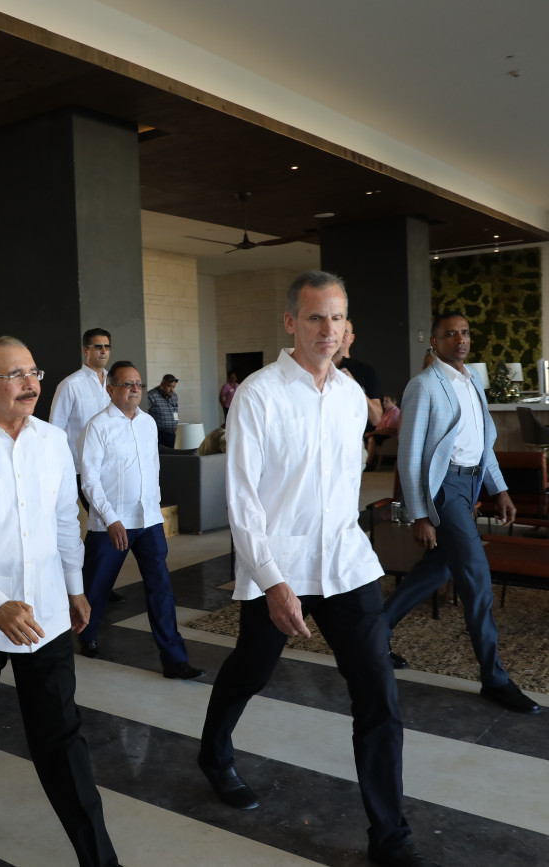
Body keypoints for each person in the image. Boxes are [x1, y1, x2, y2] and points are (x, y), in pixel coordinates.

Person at [198, 271, 436, 867]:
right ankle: (214, 751)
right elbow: (242, 499)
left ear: (346, 324)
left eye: (336, 318)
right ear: (290, 323)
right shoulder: (259, 394)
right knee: (250, 671)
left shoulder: (352, 396)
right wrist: (274, 582)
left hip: (347, 565)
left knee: (378, 695)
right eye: (314, 317)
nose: (327, 329)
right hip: (280, 567)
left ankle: (390, 837)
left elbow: (345, 484)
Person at [0, 336, 119, 866]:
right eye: (16, 375)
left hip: (46, 615)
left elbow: (63, 522)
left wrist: (75, 588)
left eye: (34, 372)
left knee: (62, 737)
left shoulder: (52, 441)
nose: (31, 384)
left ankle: (98, 857)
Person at [386, 311, 534, 717]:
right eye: (450, 334)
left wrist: (499, 489)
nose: (460, 339)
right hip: (444, 488)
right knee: (477, 580)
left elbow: (484, 445)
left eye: (465, 332)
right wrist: (419, 514)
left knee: (438, 568)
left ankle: (375, 633)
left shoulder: (472, 382)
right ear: (434, 342)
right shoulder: (423, 385)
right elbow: (409, 455)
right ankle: (494, 679)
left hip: (470, 485)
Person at [77, 360, 203, 680]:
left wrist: (155, 509)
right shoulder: (97, 427)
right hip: (111, 525)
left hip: (148, 521)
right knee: (96, 587)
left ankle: (174, 660)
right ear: (111, 390)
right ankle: (86, 634)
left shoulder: (148, 423)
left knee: (161, 590)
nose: (135, 389)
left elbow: (152, 469)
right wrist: (111, 519)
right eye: (127, 384)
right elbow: (89, 481)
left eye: (138, 384)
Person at [48, 327, 113, 476]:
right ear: (86, 351)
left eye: (107, 346)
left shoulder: (114, 383)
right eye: (98, 347)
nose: (104, 351)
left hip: (110, 467)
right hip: (79, 469)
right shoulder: (70, 385)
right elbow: (55, 429)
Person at [336, 319, 384, 427]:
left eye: (345, 331)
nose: (340, 334)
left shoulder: (367, 372)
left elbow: (376, 418)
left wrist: (355, 387)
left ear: (352, 338)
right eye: (337, 330)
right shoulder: (316, 370)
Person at [364, 394, 402, 470]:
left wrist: (371, 433)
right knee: (365, 438)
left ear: (394, 402)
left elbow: (389, 430)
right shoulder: (386, 412)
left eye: (387, 401)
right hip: (381, 434)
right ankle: (366, 461)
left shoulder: (395, 412)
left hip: (390, 436)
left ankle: (368, 464)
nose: (384, 403)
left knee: (371, 438)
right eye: (384, 401)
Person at [145, 374, 180, 447]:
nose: (172, 390)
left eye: (173, 387)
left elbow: (175, 411)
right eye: (169, 386)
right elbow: (144, 414)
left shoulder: (174, 396)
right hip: (158, 434)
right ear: (162, 385)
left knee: (172, 453)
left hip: (172, 433)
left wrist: (176, 423)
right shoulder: (151, 396)